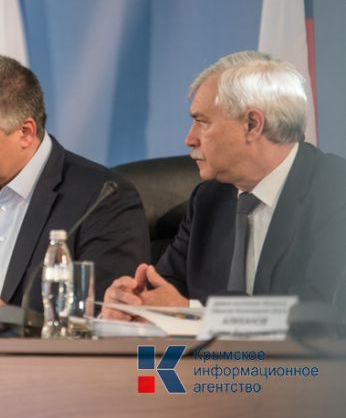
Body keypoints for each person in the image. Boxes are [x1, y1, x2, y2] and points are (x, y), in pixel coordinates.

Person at [103, 51, 346, 319]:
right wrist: (131, 303)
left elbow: (323, 311)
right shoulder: (209, 199)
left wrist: (193, 312)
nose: (189, 139)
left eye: (202, 122)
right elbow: (164, 292)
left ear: (252, 124)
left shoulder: (335, 190)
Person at [0, 54, 149, 327]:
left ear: (26, 132)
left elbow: (110, 320)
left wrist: (15, 320)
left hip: (44, 355)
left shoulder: (102, 198)